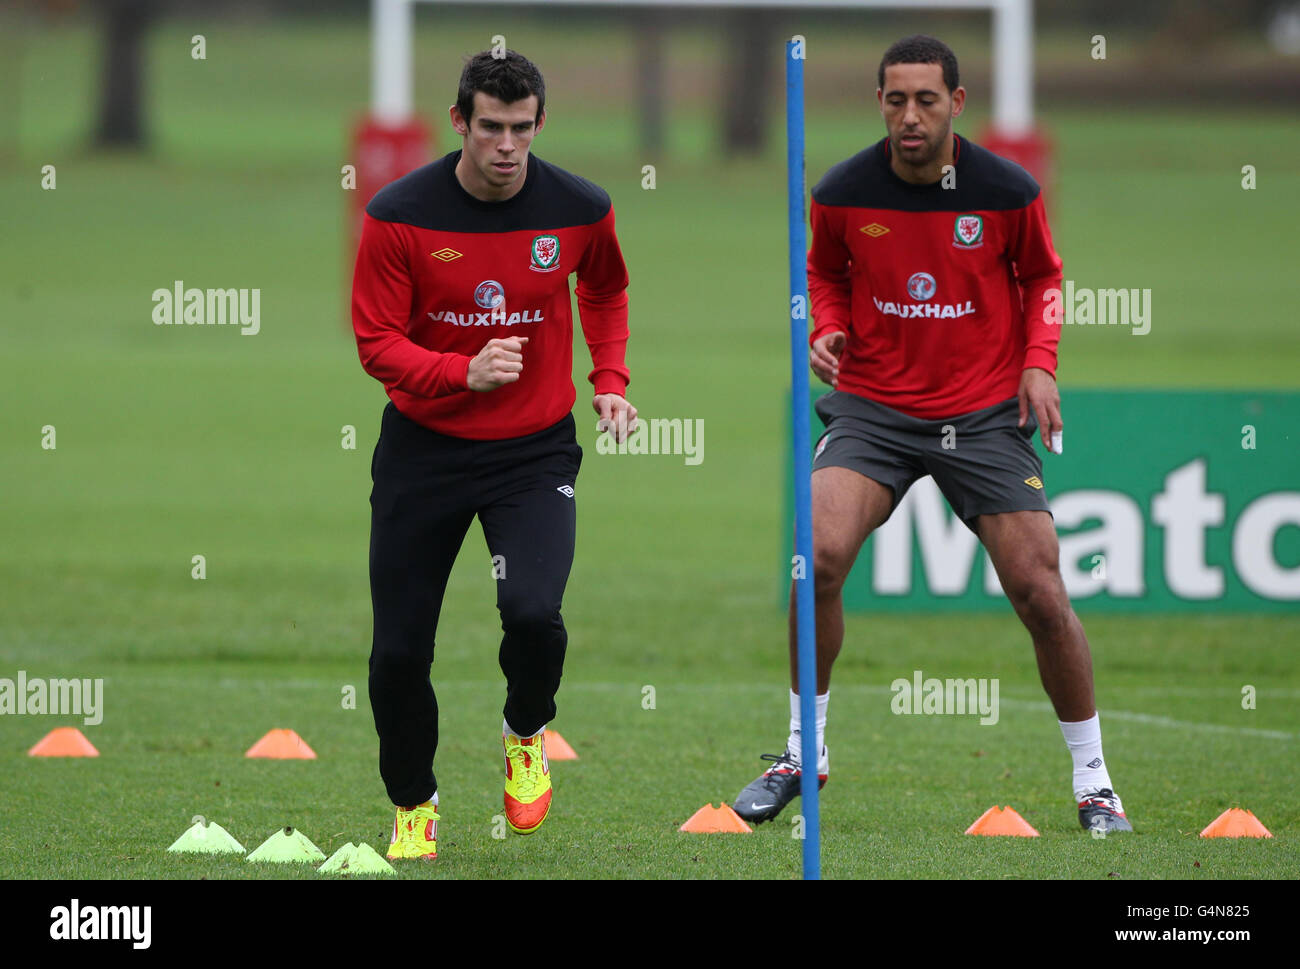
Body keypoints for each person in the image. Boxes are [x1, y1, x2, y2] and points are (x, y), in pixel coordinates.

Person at [733, 35, 1131, 834]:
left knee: (1039, 589)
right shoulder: (843, 190)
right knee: (819, 556)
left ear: (957, 101)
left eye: (925, 99)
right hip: (873, 408)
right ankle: (801, 752)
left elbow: (1044, 276)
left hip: (982, 412)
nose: (909, 116)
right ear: (879, 102)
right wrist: (830, 328)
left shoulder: (1007, 190)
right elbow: (824, 271)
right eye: (894, 100)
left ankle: (1095, 783)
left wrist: (1040, 363)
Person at [351, 49, 637, 860]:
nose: (506, 145)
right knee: (399, 651)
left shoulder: (580, 208)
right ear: (460, 124)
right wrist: (460, 374)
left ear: (540, 124)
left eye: (520, 128)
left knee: (535, 616)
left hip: (534, 454)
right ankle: (414, 801)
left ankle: (524, 729)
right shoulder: (399, 214)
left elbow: (606, 287)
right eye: (490, 128)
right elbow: (376, 341)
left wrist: (608, 377)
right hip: (423, 452)